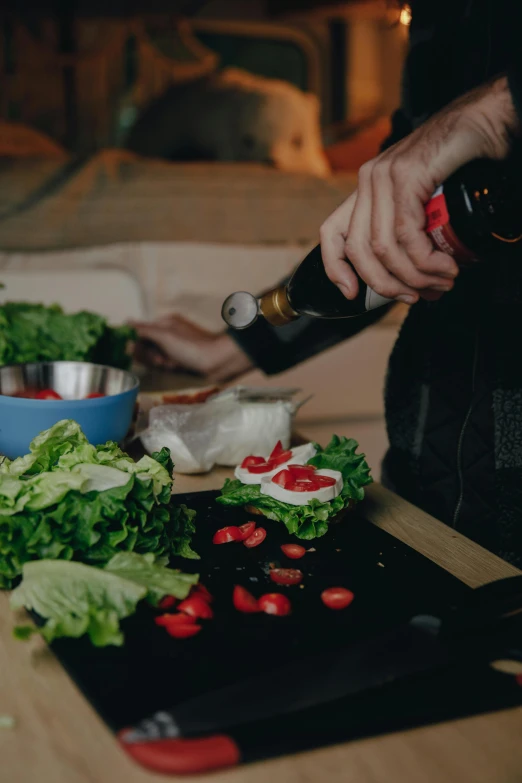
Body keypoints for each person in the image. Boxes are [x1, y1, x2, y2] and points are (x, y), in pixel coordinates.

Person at [132, 0, 522, 566]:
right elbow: (382, 244)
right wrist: (234, 346)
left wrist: (493, 110)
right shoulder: (442, 22)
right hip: (424, 472)